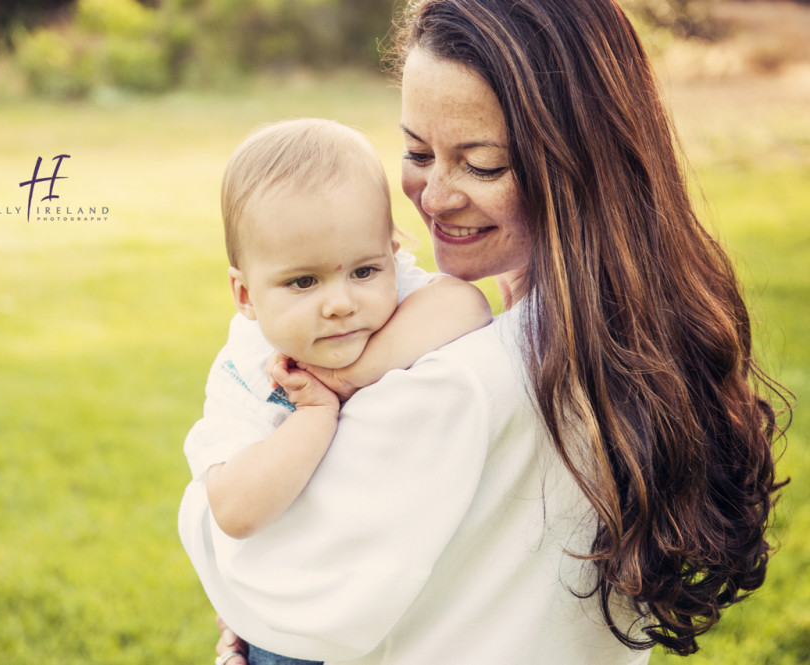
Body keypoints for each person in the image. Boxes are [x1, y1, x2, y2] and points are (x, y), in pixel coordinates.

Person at [185, 0, 789, 663]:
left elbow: (268, 578)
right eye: (417, 151)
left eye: (482, 165)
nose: (434, 195)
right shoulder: (629, 334)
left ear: (575, 162)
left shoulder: (456, 383)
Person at [181, 117, 492, 665]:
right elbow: (233, 509)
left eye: (364, 270)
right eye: (303, 282)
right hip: (293, 636)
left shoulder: (398, 293)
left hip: (393, 616)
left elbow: (467, 306)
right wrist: (312, 417)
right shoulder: (250, 371)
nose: (341, 302)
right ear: (246, 294)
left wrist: (346, 379)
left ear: (394, 252)